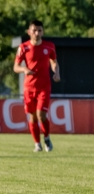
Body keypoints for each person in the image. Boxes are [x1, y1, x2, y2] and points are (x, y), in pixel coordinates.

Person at [13, 20, 60, 152]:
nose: (37, 33)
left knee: (41, 114)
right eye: (34, 30)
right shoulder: (23, 47)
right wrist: (24, 70)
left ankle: (46, 137)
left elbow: (54, 62)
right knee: (32, 117)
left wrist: (56, 72)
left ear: (42, 31)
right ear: (29, 32)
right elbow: (15, 67)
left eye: (39, 30)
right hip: (29, 88)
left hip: (44, 87)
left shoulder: (49, 46)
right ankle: (37, 144)